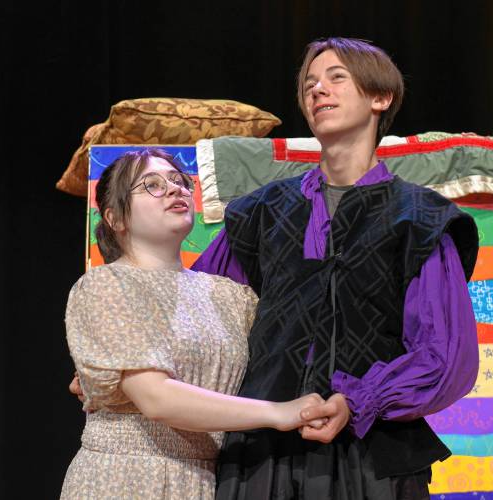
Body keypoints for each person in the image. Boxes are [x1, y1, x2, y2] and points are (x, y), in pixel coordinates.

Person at [191, 37, 481, 499]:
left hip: (371, 459)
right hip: (264, 454)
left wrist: (359, 400)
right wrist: (126, 361)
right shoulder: (264, 211)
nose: (317, 90)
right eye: (309, 84)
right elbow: (198, 307)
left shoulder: (420, 218)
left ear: (379, 98)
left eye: (336, 78)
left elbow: (444, 355)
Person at [61, 148, 325, 500]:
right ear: (115, 217)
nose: (174, 189)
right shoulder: (105, 285)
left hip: (207, 479)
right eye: (151, 185)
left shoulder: (231, 297)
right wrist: (279, 413)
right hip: (125, 478)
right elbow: (157, 398)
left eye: (178, 181)